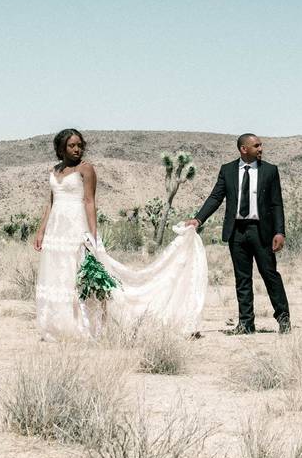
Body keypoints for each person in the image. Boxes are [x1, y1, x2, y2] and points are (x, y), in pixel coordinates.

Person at [33, 129, 207, 342]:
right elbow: (50, 202)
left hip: (76, 228)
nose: (77, 149)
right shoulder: (55, 170)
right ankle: (58, 325)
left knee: (76, 275)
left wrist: (93, 235)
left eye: (79, 145)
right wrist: (42, 230)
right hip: (56, 231)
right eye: (71, 145)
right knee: (58, 275)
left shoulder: (86, 169)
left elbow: (89, 201)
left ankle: (83, 326)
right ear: (61, 148)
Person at [185, 133, 290, 334]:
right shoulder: (228, 171)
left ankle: (284, 320)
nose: (261, 149)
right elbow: (215, 197)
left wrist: (279, 232)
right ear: (244, 149)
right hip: (237, 232)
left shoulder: (270, 171)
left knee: (270, 275)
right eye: (256, 145)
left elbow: (277, 204)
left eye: (261, 145)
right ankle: (246, 324)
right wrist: (198, 219)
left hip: (262, 232)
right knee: (242, 279)